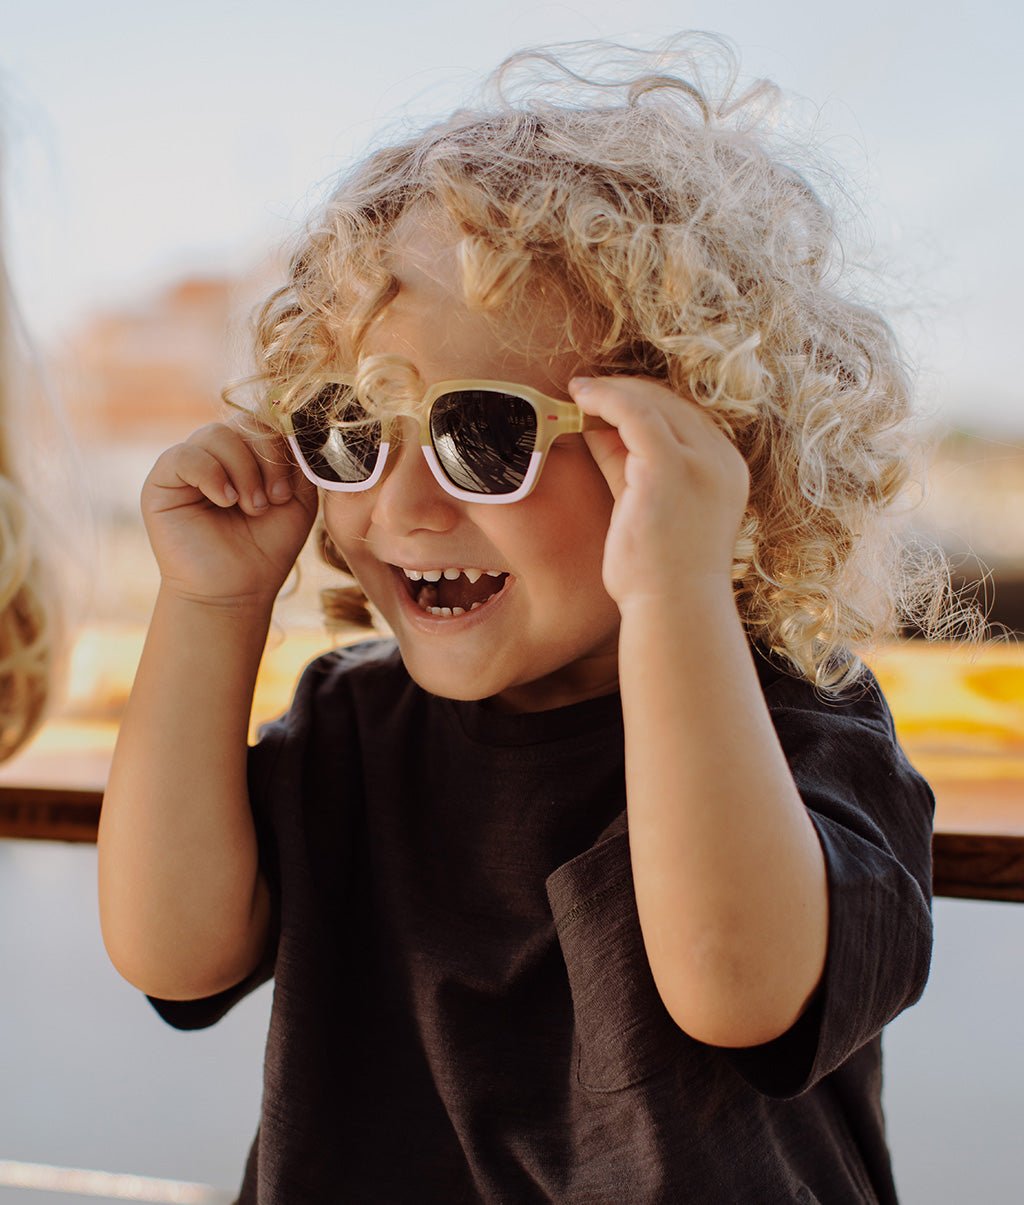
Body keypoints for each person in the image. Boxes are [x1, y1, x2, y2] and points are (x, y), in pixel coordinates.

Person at [99, 35, 951, 1203]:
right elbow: (172, 950)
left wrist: (675, 588)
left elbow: (738, 990)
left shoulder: (804, 725)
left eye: (485, 434)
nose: (404, 505)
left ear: (691, 448)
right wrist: (211, 601)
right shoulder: (354, 722)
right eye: (354, 428)